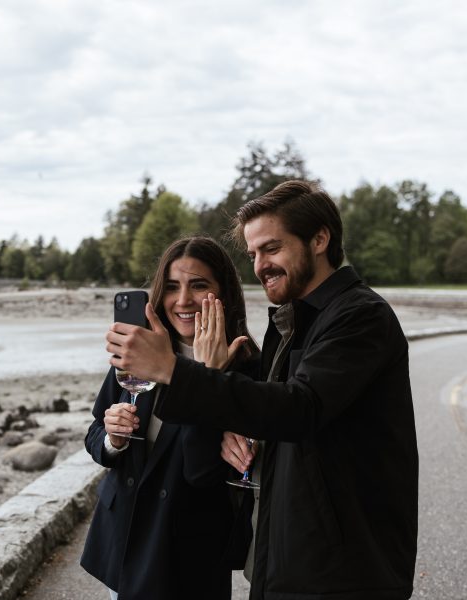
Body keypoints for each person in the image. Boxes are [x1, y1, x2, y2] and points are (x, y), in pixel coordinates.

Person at [106, 181, 419, 600]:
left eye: (271, 249)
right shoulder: (293, 323)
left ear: (320, 239)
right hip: (289, 558)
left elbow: (302, 407)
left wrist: (175, 371)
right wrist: (245, 435)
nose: (260, 265)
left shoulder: (361, 317)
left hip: (343, 571)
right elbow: (287, 418)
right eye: (253, 254)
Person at [80, 236, 260, 600]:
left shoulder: (247, 367)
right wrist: (112, 441)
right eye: (173, 287)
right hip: (126, 538)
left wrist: (208, 374)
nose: (183, 301)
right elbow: (95, 433)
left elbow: (202, 471)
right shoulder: (136, 351)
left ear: (223, 292)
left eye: (199, 286)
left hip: (189, 550)